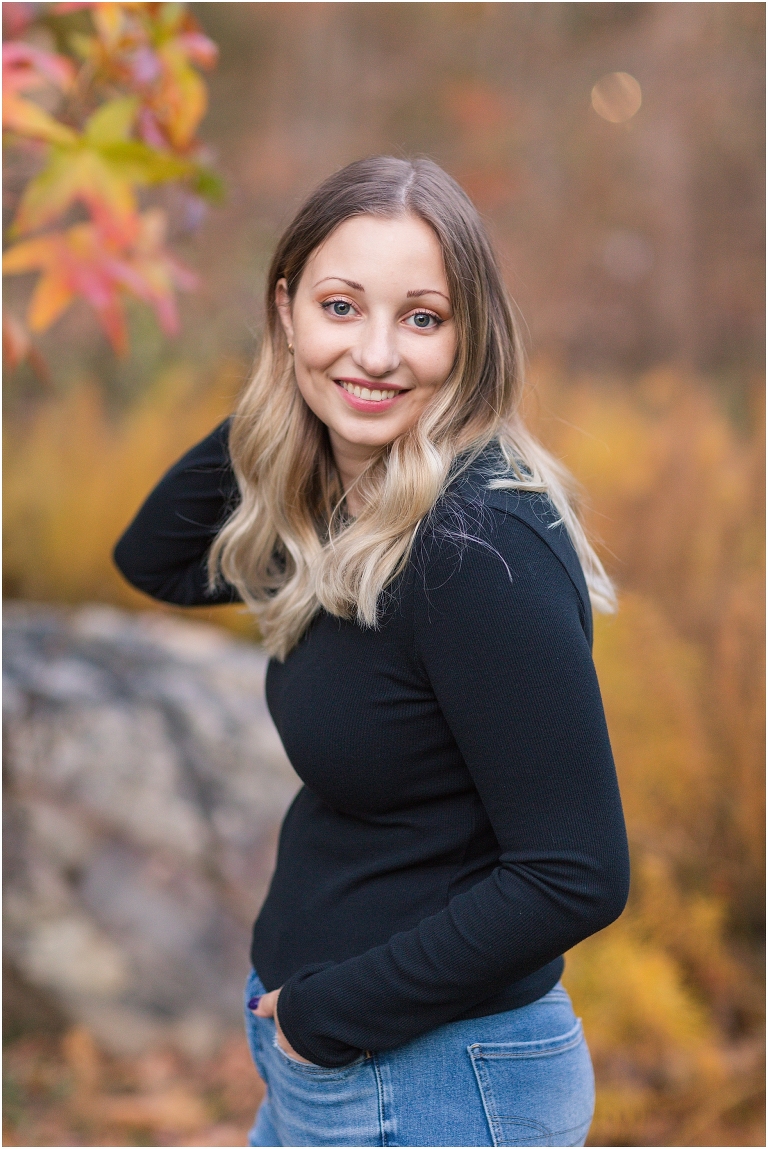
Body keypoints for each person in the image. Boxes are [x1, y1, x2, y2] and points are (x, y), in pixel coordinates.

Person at [114, 155, 630, 1148]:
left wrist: (327, 1019)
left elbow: (576, 871)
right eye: (342, 306)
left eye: (422, 318)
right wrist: (299, 393)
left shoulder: (475, 547)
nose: (380, 353)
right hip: (337, 1073)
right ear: (285, 310)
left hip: (433, 1085)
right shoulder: (349, 506)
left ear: (470, 338)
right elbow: (159, 562)